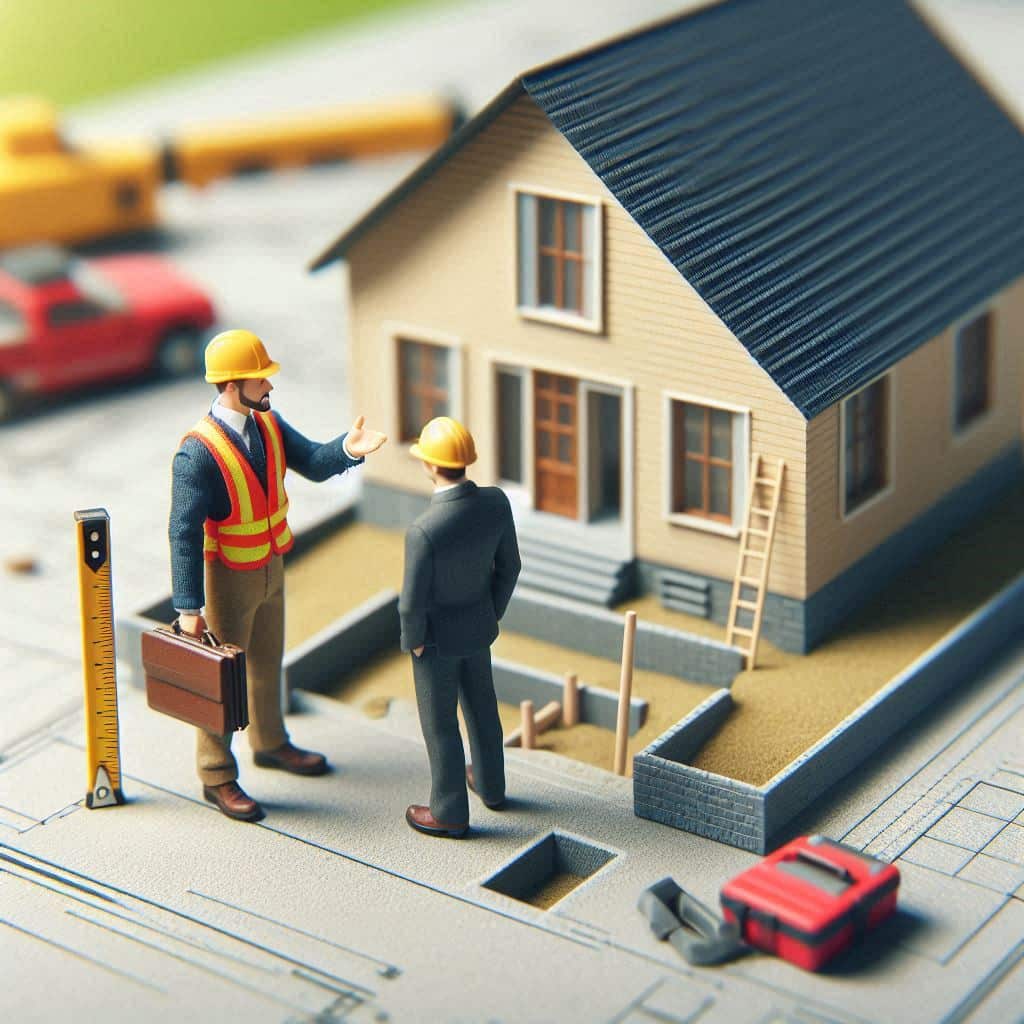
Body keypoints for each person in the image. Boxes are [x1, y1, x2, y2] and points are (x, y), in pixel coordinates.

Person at [169, 328, 386, 822]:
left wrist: (348, 448)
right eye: (260, 379)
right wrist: (188, 609)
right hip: (227, 578)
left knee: (268, 662)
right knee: (221, 680)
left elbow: (310, 460)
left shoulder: (268, 425)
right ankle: (216, 774)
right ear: (231, 384)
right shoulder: (197, 453)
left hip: (271, 565)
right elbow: (181, 533)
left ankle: (270, 742)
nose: (269, 387)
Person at [399, 417, 521, 838]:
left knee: (441, 725)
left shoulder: (424, 530)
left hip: (435, 643)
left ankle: (449, 812)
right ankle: (492, 785)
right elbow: (511, 566)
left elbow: (411, 602)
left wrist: (413, 642)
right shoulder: (496, 502)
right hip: (478, 628)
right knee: (483, 710)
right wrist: (492, 611)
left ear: (430, 466)